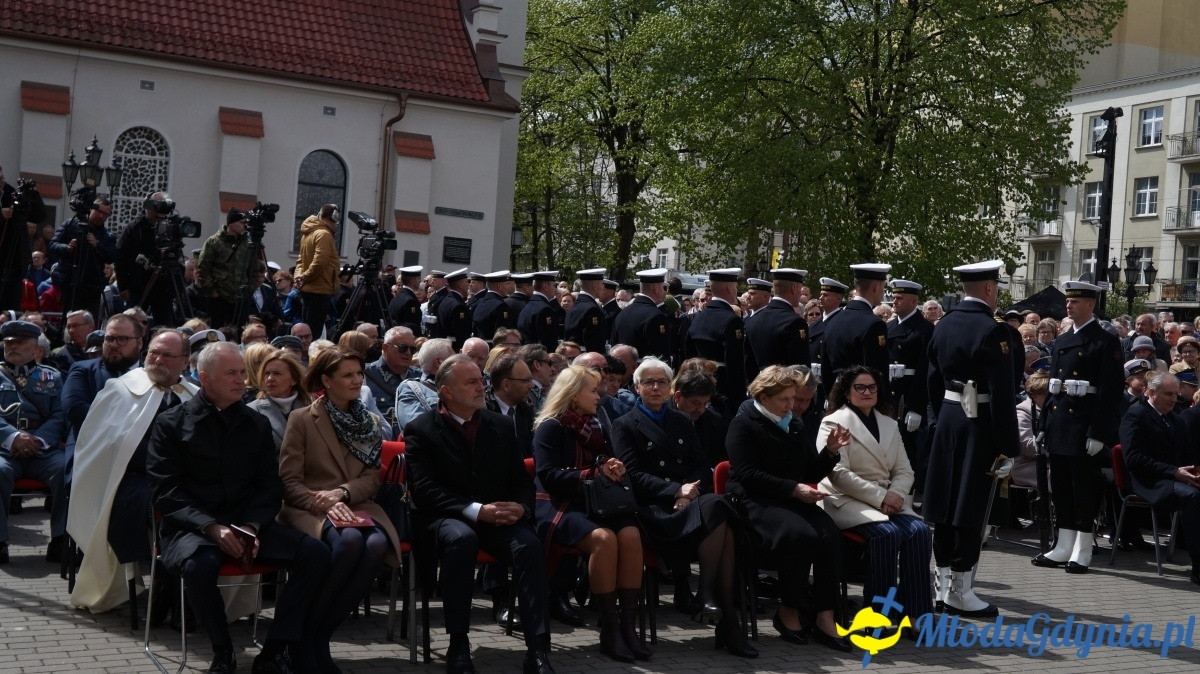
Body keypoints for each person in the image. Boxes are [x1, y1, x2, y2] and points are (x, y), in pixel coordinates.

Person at [146, 341, 331, 673]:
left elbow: (268, 486)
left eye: (242, 373)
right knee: (201, 566)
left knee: (315, 554)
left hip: (246, 525)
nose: (241, 381)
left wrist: (252, 526)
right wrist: (210, 526)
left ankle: (275, 649)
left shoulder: (254, 423)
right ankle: (223, 651)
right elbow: (166, 491)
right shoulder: (170, 424)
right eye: (231, 373)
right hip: (194, 529)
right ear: (204, 378)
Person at [405, 355, 555, 674]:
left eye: (480, 380)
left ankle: (538, 650)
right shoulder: (421, 430)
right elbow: (425, 490)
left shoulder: (499, 424)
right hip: (444, 517)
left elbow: (519, 478)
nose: (481, 387)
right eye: (471, 382)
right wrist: (476, 511)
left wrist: (522, 507)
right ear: (446, 391)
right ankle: (458, 644)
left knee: (528, 545)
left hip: (495, 516)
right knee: (462, 539)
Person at [611, 358, 755, 658]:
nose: (655, 387)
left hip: (688, 503)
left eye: (662, 382)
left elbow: (700, 466)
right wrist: (675, 490)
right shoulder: (624, 424)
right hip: (654, 510)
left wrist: (688, 494)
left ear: (669, 388)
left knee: (718, 509)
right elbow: (633, 475)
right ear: (636, 387)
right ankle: (725, 619)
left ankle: (707, 596)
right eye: (648, 382)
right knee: (722, 521)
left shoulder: (682, 421)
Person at [278, 347, 402, 671]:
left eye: (359, 374)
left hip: (356, 503)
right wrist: (323, 501)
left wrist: (342, 493)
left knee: (375, 544)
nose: (357, 380)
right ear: (326, 381)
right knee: (349, 542)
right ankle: (305, 641)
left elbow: (372, 477)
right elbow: (289, 481)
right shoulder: (302, 419)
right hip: (310, 507)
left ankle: (318, 636)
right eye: (348, 375)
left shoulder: (370, 422)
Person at [68, 329, 197, 612]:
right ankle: (166, 584)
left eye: (167, 355)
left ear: (185, 361)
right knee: (157, 506)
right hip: (130, 478)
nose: (158, 360)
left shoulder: (193, 395)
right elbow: (108, 444)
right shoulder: (121, 389)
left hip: (183, 479)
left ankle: (181, 585)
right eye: (154, 353)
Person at [725, 365, 852, 652]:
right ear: (764, 396)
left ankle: (824, 615)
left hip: (789, 499)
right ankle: (788, 611)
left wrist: (830, 452)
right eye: (784, 399)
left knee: (829, 534)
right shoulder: (744, 423)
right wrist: (793, 489)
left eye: (793, 398)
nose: (791, 405)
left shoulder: (793, 424)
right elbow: (747, 474)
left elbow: (807, 469)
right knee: (800, 535)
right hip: (754, 501)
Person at [533, 365, 650, 663]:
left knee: (632, 534)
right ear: (572, 395)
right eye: (592, 390)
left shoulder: (597, 424)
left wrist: (612, 467)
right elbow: (548, 476)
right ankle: (609, 630)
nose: (599, 396)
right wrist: (593, 473)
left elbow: (605, 462)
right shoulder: (551, 426)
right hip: (560, 503)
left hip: (597, 501)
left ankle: (628, 627)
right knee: (603, 538)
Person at [924, 260, 1018, 617]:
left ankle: (942, 585)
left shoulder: (943, 324)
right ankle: (961, 591)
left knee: (945, 507)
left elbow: (932, 381)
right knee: (970, 508)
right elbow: (1003, 395)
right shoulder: (994, 331)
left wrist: (942, 416)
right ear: (990, 288)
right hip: (979, 426)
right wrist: (1008, 447)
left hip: (949, 421)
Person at [817, 366, 932, 621]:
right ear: (847, 392)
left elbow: (905, 469)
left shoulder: (890, 424)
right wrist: (881, 497)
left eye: (872, 387)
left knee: (920, 532)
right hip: (845, 500)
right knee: (887, 534)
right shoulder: (833, 422)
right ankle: (877, 615)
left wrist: (895, 494)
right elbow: (836, 474)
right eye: (860, 387)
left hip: (887, 498)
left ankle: (915, 614)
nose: (867, 392)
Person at [1031, 281, 1123, 575]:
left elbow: (1110, 393)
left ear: (1090, 305)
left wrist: (1098, 432)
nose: (1068, 306)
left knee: (1083, 488)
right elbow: (1053, 389)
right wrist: (1044, 424)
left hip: (1083, 424)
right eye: (1068, 301)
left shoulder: (1104, 341)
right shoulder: (1061, 340)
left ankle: (1082, 549)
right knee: (1060, 487)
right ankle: (1063, 544)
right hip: (1060, 422)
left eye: (1075, 302)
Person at [0, 320, 69, 564]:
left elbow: (61, 414)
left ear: (35, 347)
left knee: (66, 471)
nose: (13, 348)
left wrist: (38, 440)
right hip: (4, 450)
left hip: (43, 450)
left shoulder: (52, 376)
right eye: (9, 343)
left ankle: (61, 539)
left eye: (20, 343)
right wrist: (13, 437)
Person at [1124, 374, 1200, 586]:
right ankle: (1198, 566)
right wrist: (1174, 472)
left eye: (1176, 394)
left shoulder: (1175, 418)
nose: (1174, 399)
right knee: (1193, 497)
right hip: (1149, 481)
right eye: (1168, 394)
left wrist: (1194, 471)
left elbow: (1186, 453)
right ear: (1151, 392)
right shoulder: (1136, 415)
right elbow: (1134, 459)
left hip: (1174, 477)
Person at [683, 269, 755, 414]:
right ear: (730, 287)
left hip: (697, 387)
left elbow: (688, 355)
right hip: (723, 393)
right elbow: (735, 364)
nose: (736, 290)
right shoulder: (731, 320)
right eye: (735, 286)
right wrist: (739, 399)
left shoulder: (699, 318)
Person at [819, 263, 891, 398]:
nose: (883, 291)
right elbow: (876, 373)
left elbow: (826, 369)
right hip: (862, 401)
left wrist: (832, 398)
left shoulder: (833, 319)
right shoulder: (874, 324)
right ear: (876, 286)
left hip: (837, 397)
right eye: (883, 286)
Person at [114, 192, 176, 326]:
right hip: (138, 285)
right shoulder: (134, 228)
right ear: (148, 207)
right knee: (133, 322)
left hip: (163, 285)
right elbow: (120, 257)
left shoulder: (169, 227)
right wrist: (122, 286)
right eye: (157, 207)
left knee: (165, 323)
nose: (161, 212)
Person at [49, 195, 115, 318]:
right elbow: (52, 245)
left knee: (89, 321)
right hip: (70, 283)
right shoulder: (71, 224)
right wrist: (66, 248)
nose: (101, 216)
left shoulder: (107, 235)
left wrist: (97, 245)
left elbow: (111, 256)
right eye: (99, 211)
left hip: (92, 287)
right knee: (70, 319)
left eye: (105, 214)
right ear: (91, 209)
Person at [196, 209, 256, 330]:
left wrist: (250, 289)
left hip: (240, 298)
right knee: (218, 331)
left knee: (240, 331)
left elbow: (254, 269)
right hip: (219, 298)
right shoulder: (214, 241)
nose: (244, 225)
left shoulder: (248, 244)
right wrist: (212, 292)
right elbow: (203, 268)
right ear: (230, 223)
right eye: (241, 222)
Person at [744, 268, 809, 377]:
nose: (800, 294)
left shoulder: (753, 319)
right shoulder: (795, 322)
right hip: (786, 390)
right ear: (794, 288)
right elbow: (800, 370)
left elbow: (748, 363)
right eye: (800, 289)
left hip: (759, 388)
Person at [246, 350, 311, 450]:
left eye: (277, 373)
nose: (270, 379)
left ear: (294, 380)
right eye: (267, 373)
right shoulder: (252, 411)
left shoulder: (310, 408)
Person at [294, 204, 341, 337]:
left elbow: (300, 261)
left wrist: (299, 277)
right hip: (319, 290)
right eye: (336, 221)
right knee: (313, 333)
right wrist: (304, 277)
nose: (336, 225)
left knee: (306, 331)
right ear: (333, 217)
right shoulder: (324, 234)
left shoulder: (307, 234)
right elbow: (320, 262)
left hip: (307, 290)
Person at [611, 268, 673, 362]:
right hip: (647, 373)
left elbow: (613, 347)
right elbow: (661, 356)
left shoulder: (622, 313)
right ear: (655, 288)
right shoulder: (657, 317)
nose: (664, 291)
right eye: (663, 287)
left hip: (622, 372)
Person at [394, 338, 454, 430]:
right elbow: (415, 429)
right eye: (453, 360)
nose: (459, 364)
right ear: (439, 362)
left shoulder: (461, 387)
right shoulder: (410, 388)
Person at [517, 271, 564, 352]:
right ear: (545, 286)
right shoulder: (545, 309)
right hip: (539, 358)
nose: (556, 290)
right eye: (554, 286)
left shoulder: (528, 306)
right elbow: (548, 341)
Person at [564, 268, 608, 354]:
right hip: (586, 361)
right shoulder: (592, 310)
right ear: (594, 286)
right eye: (602, 284)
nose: (604, 287)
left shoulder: (574, 306)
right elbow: (595, 345)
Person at [806, 277, 847, 366]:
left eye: (826, 295)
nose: (821, 298)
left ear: (838, 299)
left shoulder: (842, 322)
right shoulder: (816, 323)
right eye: (821, 294)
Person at [471, 270, 517, 340]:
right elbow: (502, 334)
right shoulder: (501, 306)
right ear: (499, 286)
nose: (507, 287)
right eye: (506, 284)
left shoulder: (479, 303)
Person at [387, 265, 424, 333]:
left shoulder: (396, 298)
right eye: (419, 278)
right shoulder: (410, 301)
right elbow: (412, 327)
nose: (420, 281)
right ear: (413, 281)